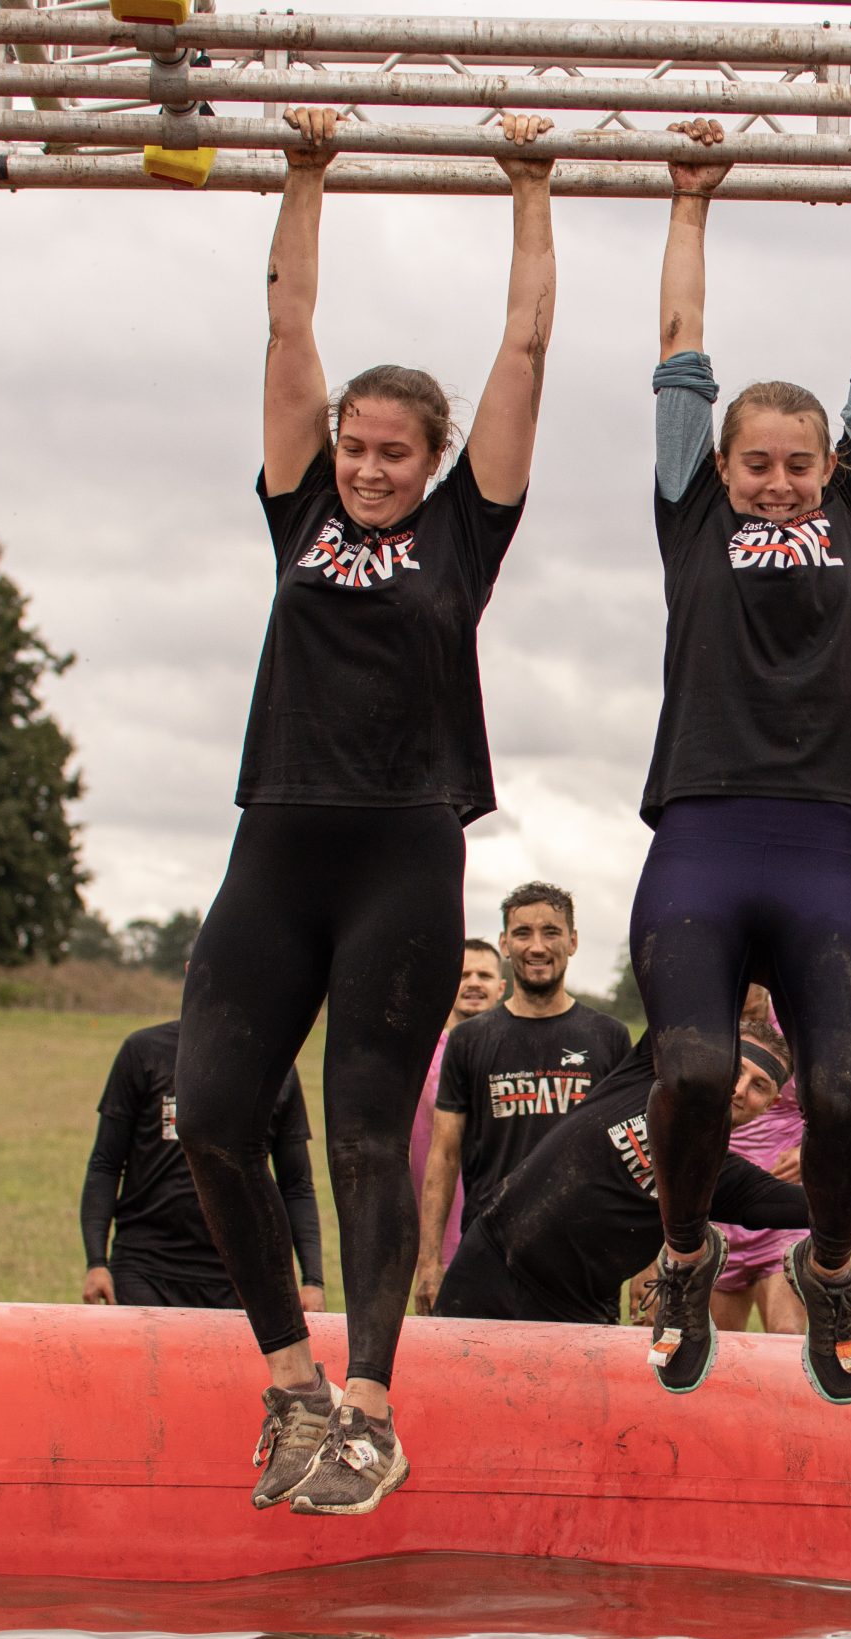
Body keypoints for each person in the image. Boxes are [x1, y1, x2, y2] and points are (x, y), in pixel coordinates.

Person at [171, 104, 557, 1519]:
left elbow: (523, 349)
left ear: (433, 456)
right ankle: (289, 1381)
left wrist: (532, 187)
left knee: (357, 1133)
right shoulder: (299, 510)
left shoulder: (466, 526)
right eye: (358, 445)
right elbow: (288, 333)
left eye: (398, 450)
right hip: (275, 837)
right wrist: (304, 174)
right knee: (208, 1105)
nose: (372, 465)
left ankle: (374, 1407)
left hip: (403, 846)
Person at [631, 117, 851, 1405]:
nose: (780, 482)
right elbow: (679, 358)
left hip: (818, 844)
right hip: (701, 828)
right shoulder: (691, 505)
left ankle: (832, 1272)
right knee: (692, 1069)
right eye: (758, 463)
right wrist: (689, 203)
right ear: (723, 466)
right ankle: (686, 1256)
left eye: (799, 465)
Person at [440, 1020, 851, 1328]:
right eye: (734, 1070)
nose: (740, 1090)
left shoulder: (723, 1179)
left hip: (576, 1311)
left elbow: (830, 1208)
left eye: (760, 1086)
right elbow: (690, 982)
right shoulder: (646, 1076)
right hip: (490, 1261)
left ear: (772, 1104)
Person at [411, 883, 629, 1313]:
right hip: (488, 1255)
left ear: (573, 940)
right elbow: (444, 1153)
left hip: (583, 1259)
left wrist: (642, 1264)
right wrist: (430, 1260)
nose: (537, 946)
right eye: (523, 933)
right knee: (478, 1377)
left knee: (580, 1379)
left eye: (551, 932)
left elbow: (635, 1155)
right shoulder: (470, 1040)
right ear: (505, 944)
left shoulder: (609, 1038)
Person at [83, 1000, 324, 1314]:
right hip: (146, 1270)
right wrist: (96, 1263)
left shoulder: (277, 1069)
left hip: (244, 1279)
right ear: (189, 971)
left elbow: (296, 1185)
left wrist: (312, 1280)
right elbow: (105, 1163)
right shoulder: (144, 1051)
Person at [408, 937, 505, 1274]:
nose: (474, 983)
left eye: (484, 975)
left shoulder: (512, 1052)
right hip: (437, 1230)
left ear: (501, 987)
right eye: (463, 975)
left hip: (498, 1225)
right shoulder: (415, 1055)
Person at [713, 981, 805, 1334]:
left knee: (787, 1338)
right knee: (720, 1353)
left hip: (783, 1208)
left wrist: (808, 1151)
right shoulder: (708, 1023)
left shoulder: (798, 1029)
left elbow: (842, 1109)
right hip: (720, 1208)